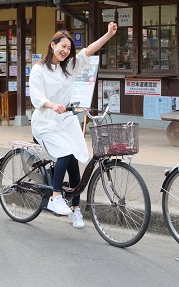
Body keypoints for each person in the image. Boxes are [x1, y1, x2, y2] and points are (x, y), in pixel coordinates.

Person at [29, 22, 118, 229]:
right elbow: (36, 97)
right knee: (65, 151)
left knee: (75, 159)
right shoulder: (38, 70)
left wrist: (108, 35)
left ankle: (76, 210)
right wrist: (53, 105)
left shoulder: (69, 67)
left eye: (69, 49)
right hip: (45, 121)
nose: (66, 51)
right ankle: (55, 196)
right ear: (53, 45)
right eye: (63, 46)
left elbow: (88, 51)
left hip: (66, 121)